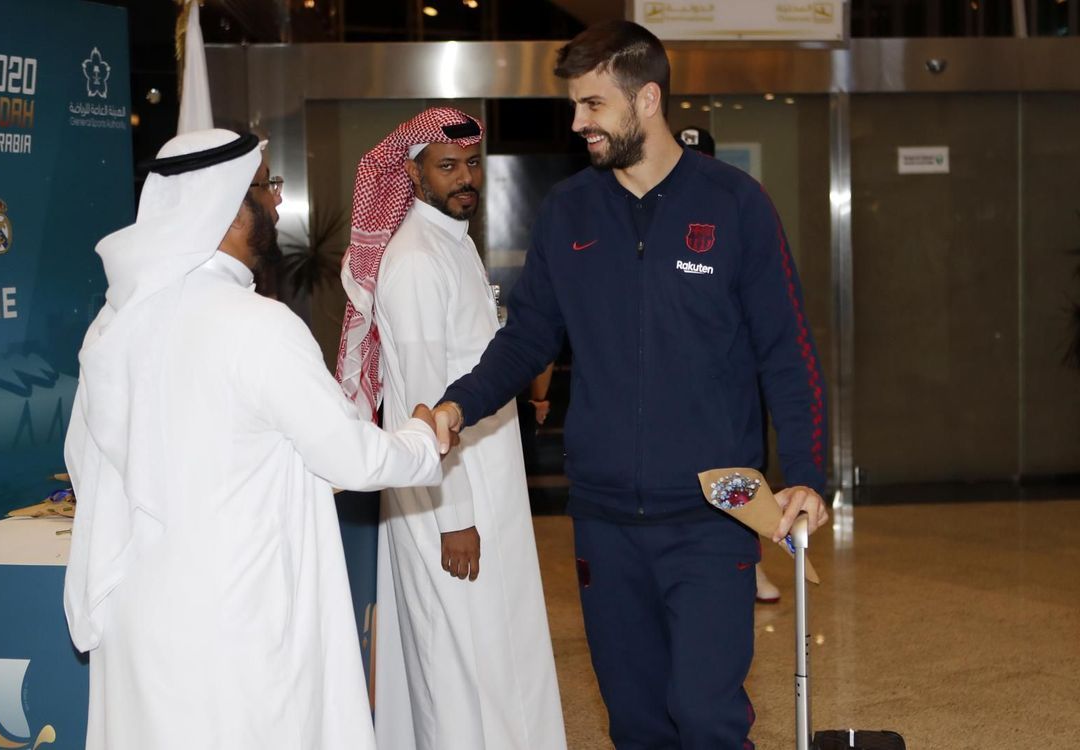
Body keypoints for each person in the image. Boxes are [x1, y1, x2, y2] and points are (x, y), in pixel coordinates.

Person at [431, 21, 830, 750]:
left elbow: (788, 351)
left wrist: (805, 474)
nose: (578, 122)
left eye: (592, 105)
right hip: (605, 518)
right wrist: (460, 403)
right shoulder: (569, 213)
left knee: (706, 714)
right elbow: (526, 338)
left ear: (646, 100)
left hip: (718, 507)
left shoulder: (735, 205)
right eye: (576, 106)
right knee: (638, 723)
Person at [62, 128, 446, 750]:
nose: (274, 203)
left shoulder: (112, 326)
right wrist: (424, 439)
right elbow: (349, 459)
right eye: (265, 188)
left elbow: (84, 460)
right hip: (235, 619)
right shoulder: (257, 326)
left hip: (141, 616)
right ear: (224, 204)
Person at [335, 108, 567, 750]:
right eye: (447, 166)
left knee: (493, 655)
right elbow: (417, 397)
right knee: (458, 662)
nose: (464, 178)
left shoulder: (451, 240)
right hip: (453, 496)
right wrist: (453, 517)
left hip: (486, 482)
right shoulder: (413, 259)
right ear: (411, 173)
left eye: (471, 165)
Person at [674, 124, 783, 605]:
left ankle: (751, 562)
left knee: (740, 475)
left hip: (734, 381)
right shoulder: (661, 216)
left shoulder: (739, 209)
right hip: (683, 384)